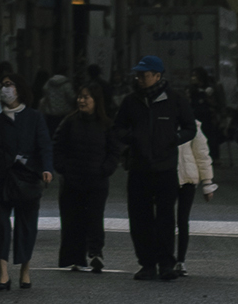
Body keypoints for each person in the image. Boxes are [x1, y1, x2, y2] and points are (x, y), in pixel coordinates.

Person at [115, 55, 192, 280]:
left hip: (165, 168)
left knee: (166, 218)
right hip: (139, 168)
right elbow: (117, 128)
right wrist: (134, 138)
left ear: (158, 76)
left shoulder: (175, 100)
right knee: (140, 219)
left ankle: (166, 263)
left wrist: (172, 138)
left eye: (144, 74)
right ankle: (147, 263)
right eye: (138, 74)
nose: (139, 78)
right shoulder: (131, 101)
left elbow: (190, 127)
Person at [0, 77, 53, 288]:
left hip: (28, 179)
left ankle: (25, 269)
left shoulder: (34, 117)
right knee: (1, 226)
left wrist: (46, 168)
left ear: (20, 90)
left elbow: (44, 145)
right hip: (1, 180)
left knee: (26, 226)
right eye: (2, 85)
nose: (4, 89)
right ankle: (3, 273)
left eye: (9, 85)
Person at [53, 82, 114, 270]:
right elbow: (57, 145)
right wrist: (63, 168)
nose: (82, 100)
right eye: (80, 97)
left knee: (95, 218)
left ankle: (96, 253)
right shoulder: (69, 122)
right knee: (72, 220)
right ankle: (74, 258)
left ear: (96, 100)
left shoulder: (105, 124)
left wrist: (105, 169)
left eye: (86, 97)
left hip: (97, 181)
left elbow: (114, 151)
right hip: (72, 180)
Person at [171, 79, 217, 271]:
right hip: (167, 176)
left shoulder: (193, 127)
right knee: (166, 220)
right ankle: (166, 257)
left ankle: (180, 260)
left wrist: (208, 183)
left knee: (182, 220)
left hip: (188, 178)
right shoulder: (164, 124)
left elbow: (202, 154)